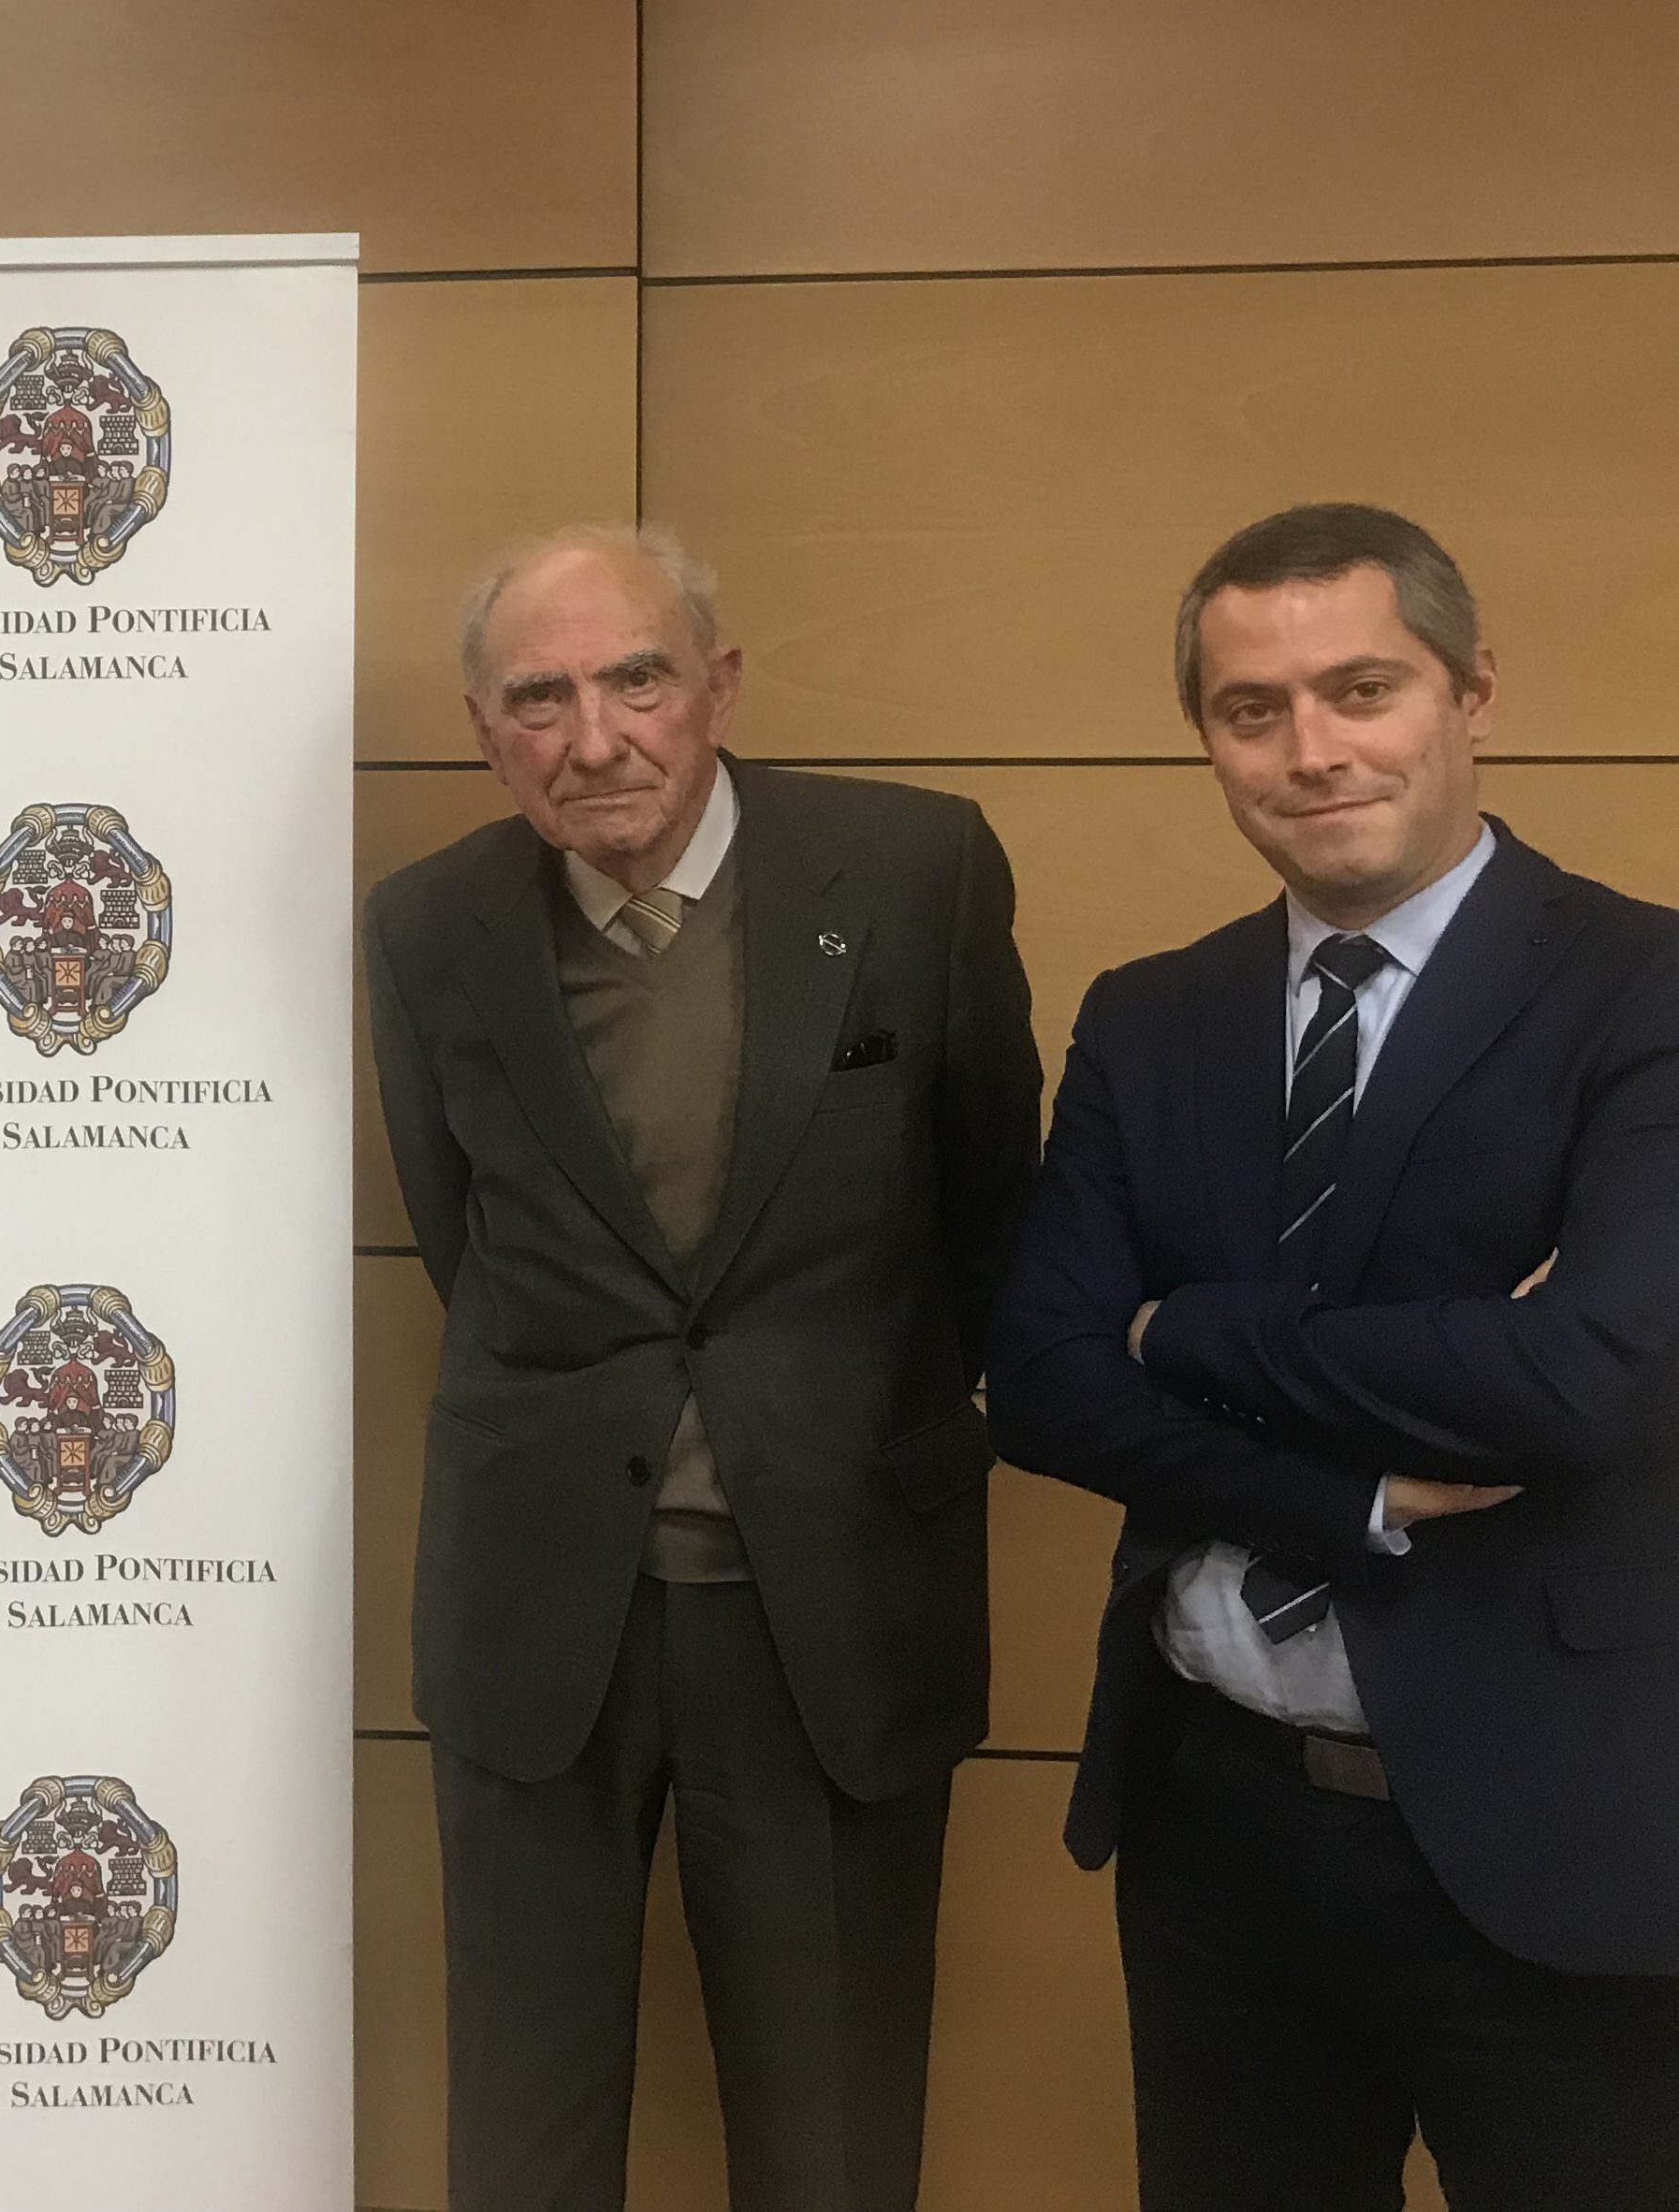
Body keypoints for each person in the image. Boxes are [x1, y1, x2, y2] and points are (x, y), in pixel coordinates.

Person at [989, 502, 1679, 2208]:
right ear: (1209, 740)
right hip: (1217, 1830)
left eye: (1362, 690)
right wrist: (1348, 1495)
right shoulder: (1150, 1017)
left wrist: (1187, 1328)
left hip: (1558, 1843)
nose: (1311, 751)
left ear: (1472, 692)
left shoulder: (1645, 989)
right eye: (1253, 709)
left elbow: (1581, 1382)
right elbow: (1047, 1378)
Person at [363, 522, 1042, 2211]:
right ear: (484, 729)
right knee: (522, 2144)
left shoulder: (916, 873)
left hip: (828, 1608)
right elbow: (469, 1244)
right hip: (542, 1617)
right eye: (539, 697)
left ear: (717, 688)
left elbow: (989, 1213)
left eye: (636, 679)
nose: (593, 738)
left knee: (831, 2143)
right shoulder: (429, 926)